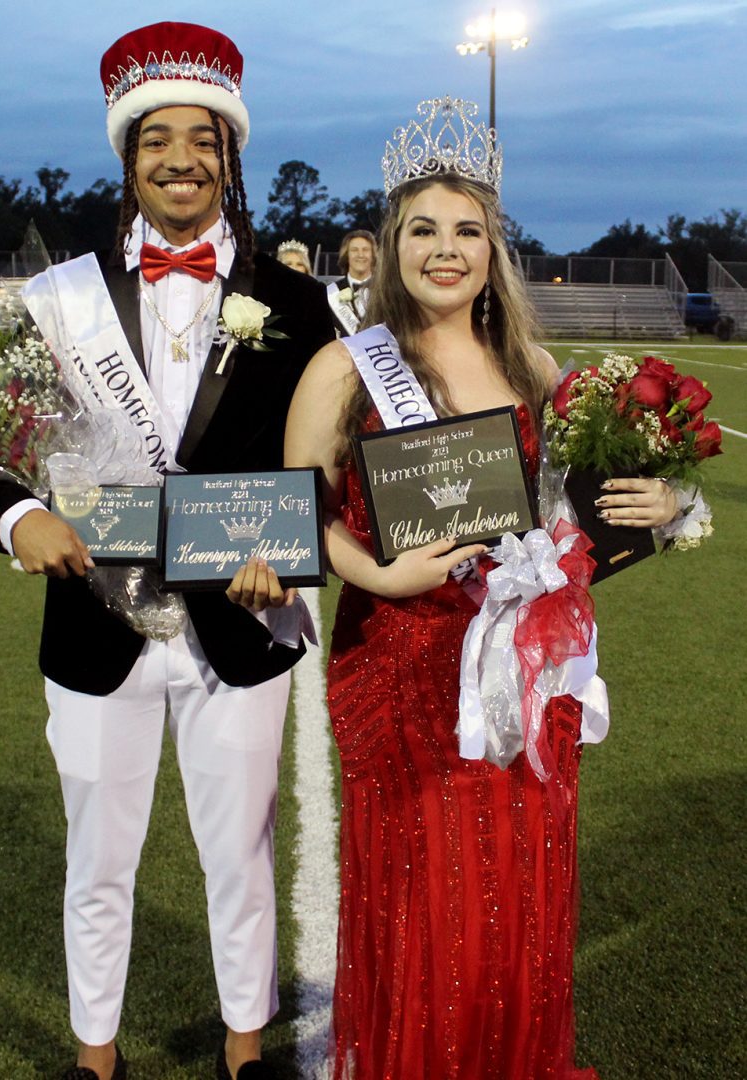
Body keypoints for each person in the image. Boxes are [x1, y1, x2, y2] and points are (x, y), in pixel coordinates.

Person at [0, 21, 334, 1080]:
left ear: (231, 154)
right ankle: (95, 1059)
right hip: (93, 617)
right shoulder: (58, 303)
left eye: (202, 139)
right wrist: (13, 515)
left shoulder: (304, 306)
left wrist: (290, 555)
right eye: (156, 138)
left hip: (242, 622)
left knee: (242, 859)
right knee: (97, 862)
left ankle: (245, 1051)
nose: (180, 159)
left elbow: (328, 464)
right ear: (126, 157)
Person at [285, 97, 679, 1078]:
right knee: (425, 903)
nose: (445, 250)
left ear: (492, 250)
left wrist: (661, 502)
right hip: (397, 665)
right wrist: (371, 567)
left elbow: (599, 491)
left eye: (468, 231)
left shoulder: (534, 367)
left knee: (512, 893)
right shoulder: (343, 369)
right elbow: (295, 512)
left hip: (520, 676)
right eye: (423, 229)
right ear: (391, 245)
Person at [327, 229, 376, 335]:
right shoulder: (330, 293)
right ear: (346, 255)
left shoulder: (386, 289)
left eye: (365, 250)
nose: (360, 255)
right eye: (354, 250)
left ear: (373, 255)